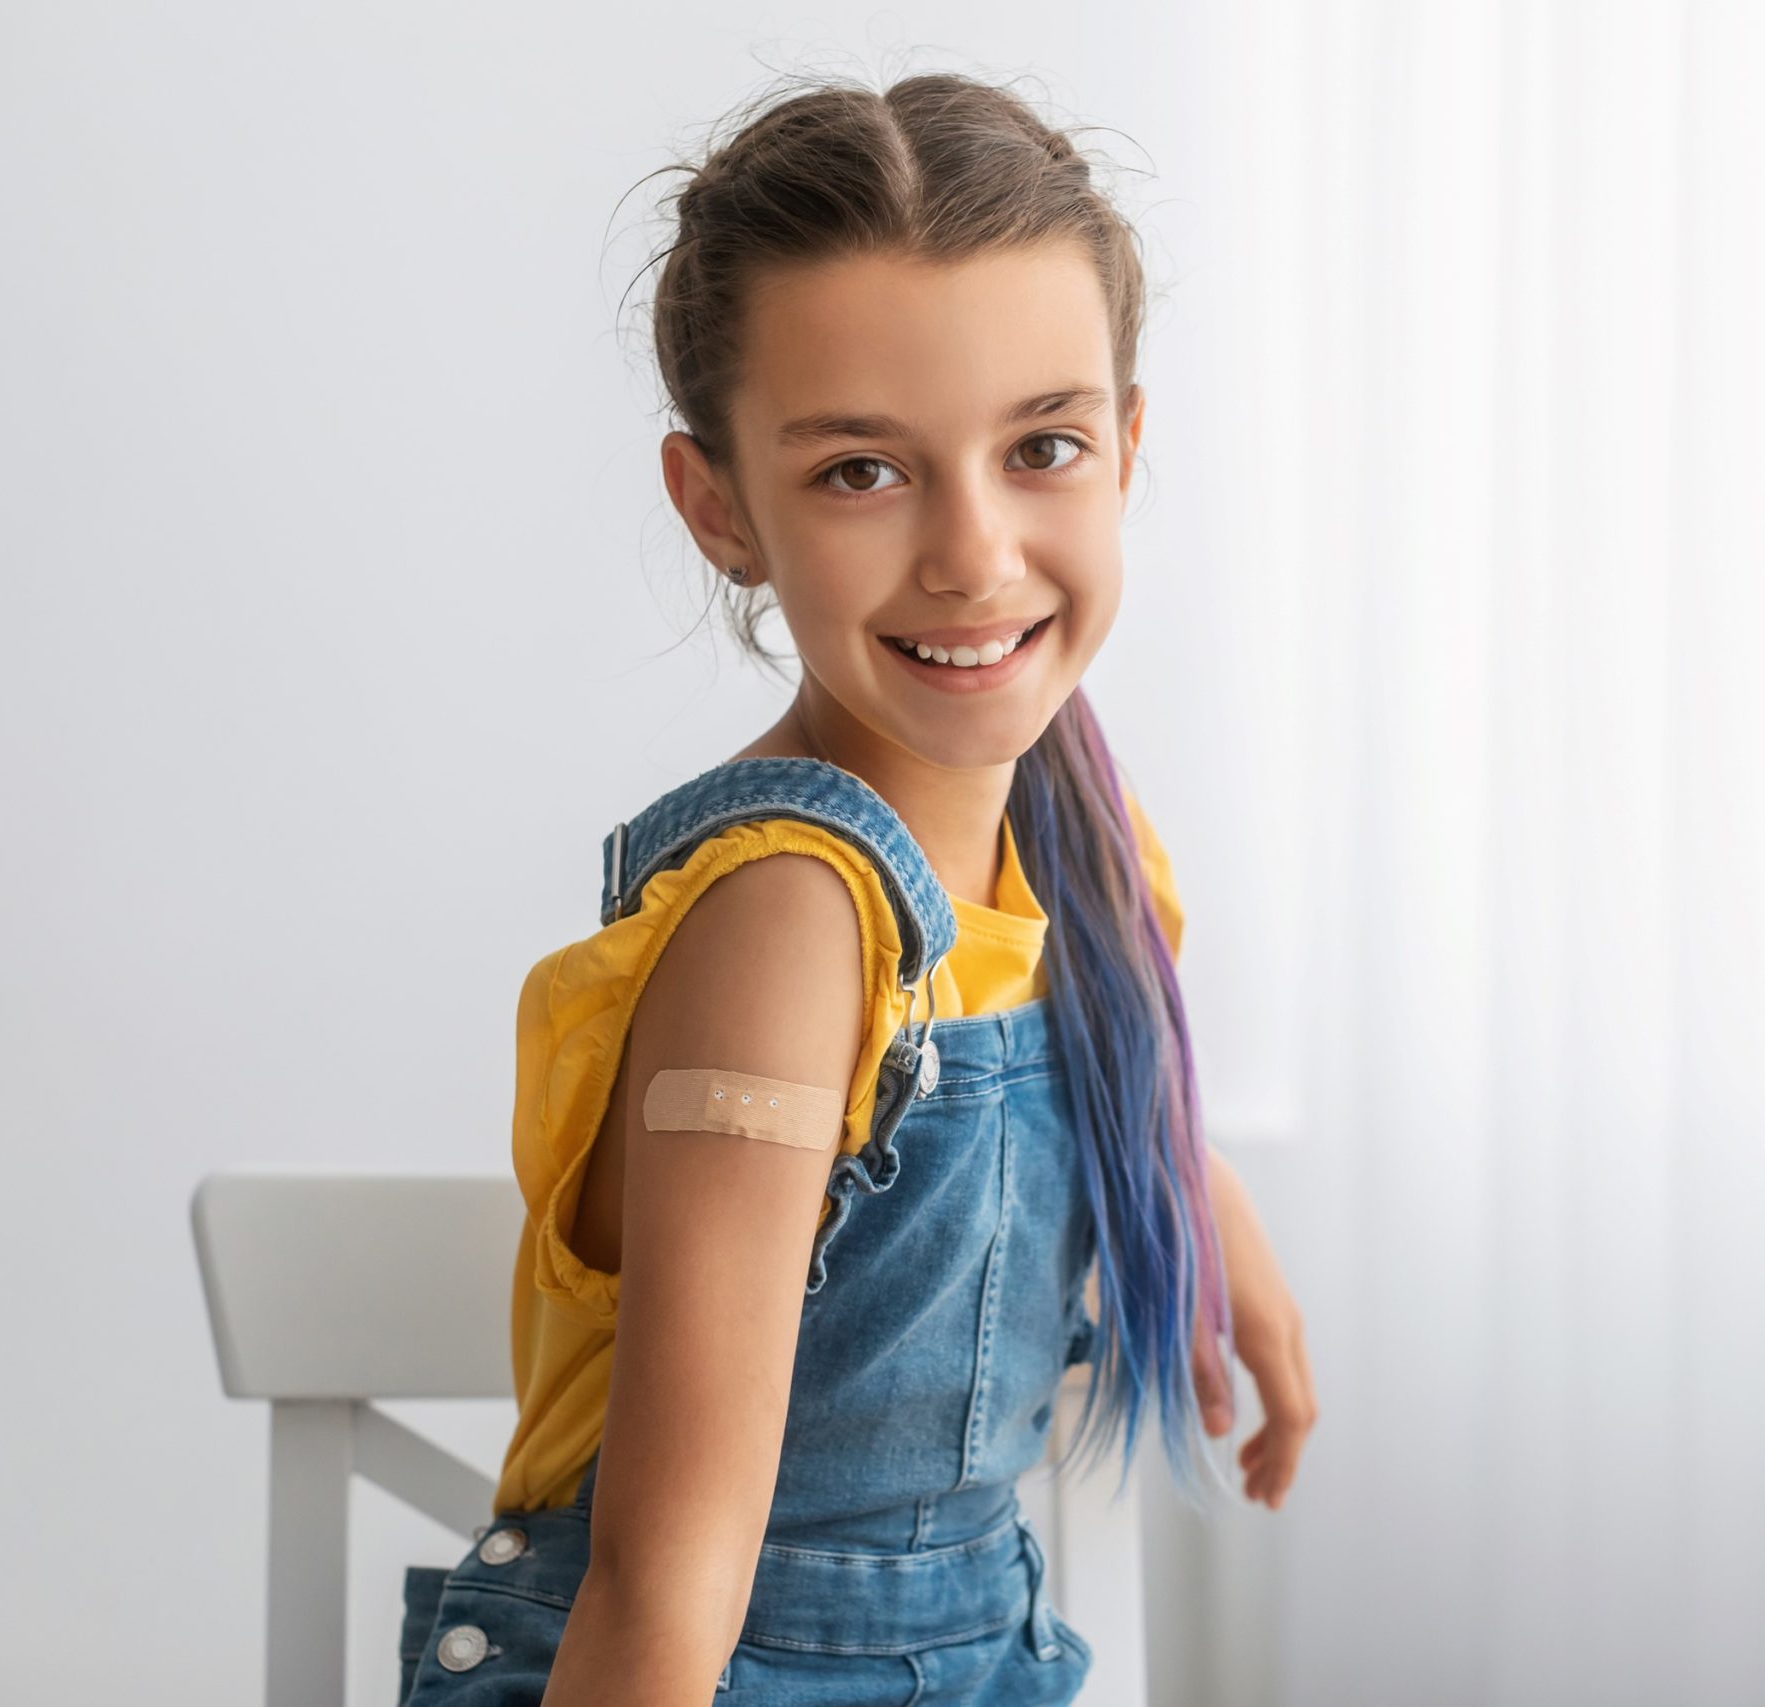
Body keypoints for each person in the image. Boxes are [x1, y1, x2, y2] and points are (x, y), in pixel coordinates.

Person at [396, 69, 1317, 1706]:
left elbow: (1107, 1063)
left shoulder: (1090, 852)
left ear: (1126, 447)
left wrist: (1205, 1209)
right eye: (859, 473)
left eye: (1043, 445)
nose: (973, 553)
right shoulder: (787, 928)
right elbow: (668, 1575)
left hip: (980, 1658)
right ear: (717, 509)